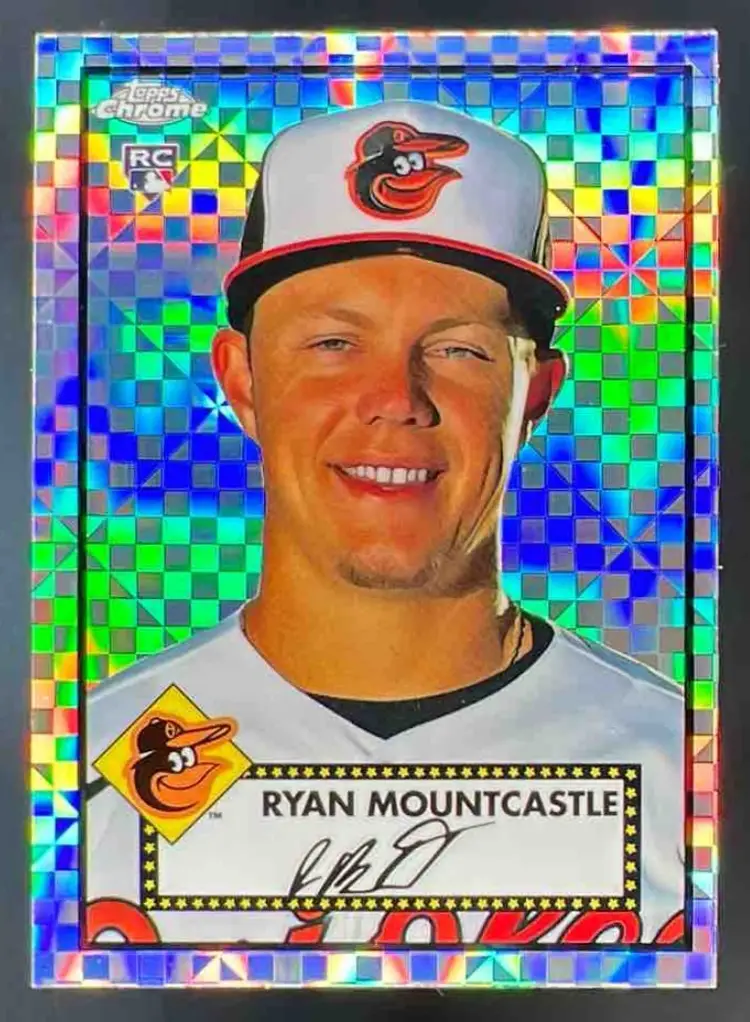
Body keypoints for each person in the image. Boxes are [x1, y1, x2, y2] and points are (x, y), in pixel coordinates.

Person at [85, 100, 684, 949]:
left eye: (459, 349)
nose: (396, 400)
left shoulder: (688, 779)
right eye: (333, 343)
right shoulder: (78, 780)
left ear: (536, 394)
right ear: (243, 380)